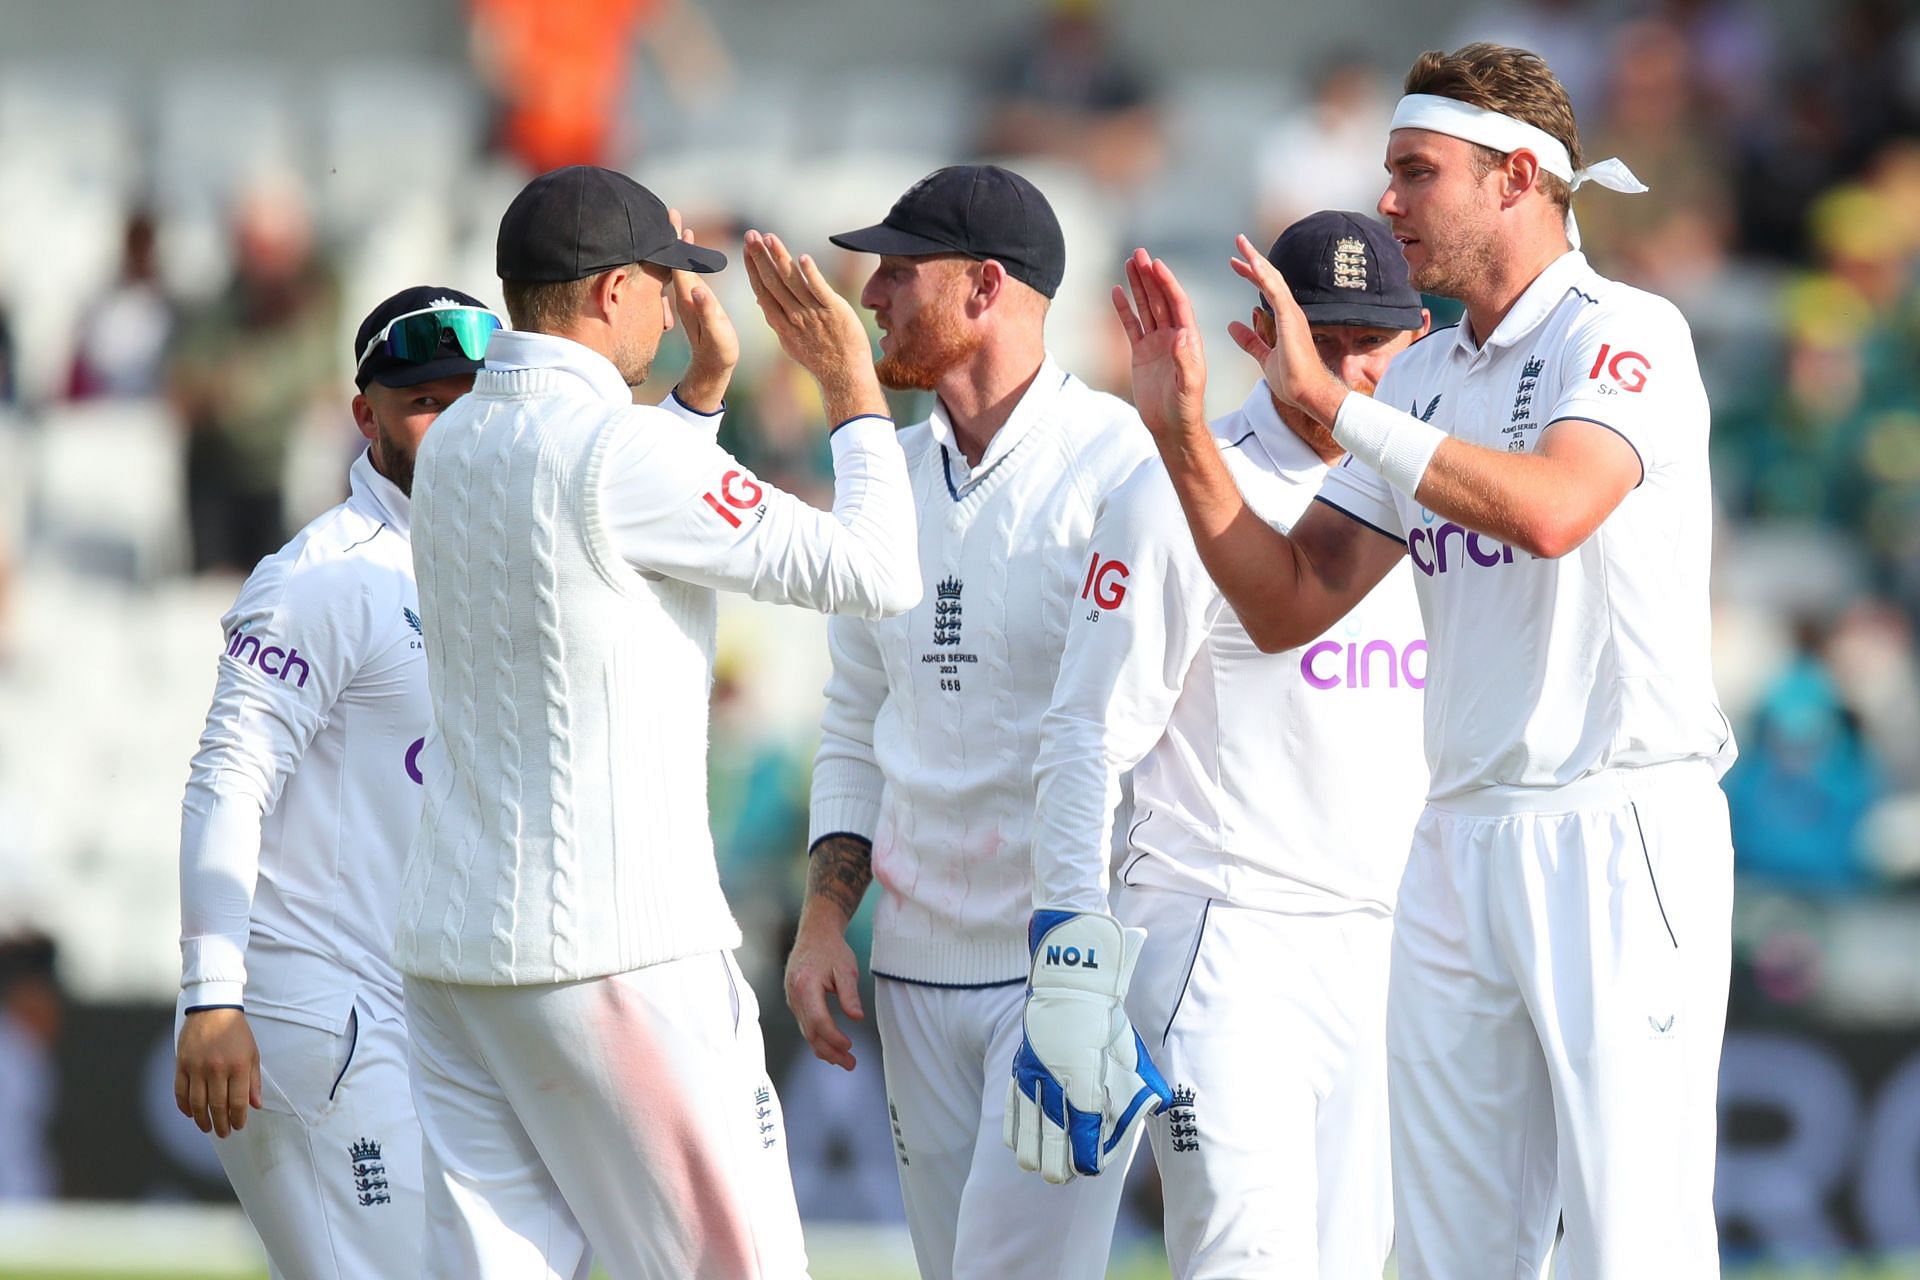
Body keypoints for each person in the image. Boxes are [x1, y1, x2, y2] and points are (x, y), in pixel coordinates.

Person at [1106, 43, 1736, 1277]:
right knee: (1452, 1253)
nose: (1385, 199)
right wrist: (1184, 435)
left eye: (1414, 171)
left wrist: (1339, 410)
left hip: (1616, 828)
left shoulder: (1629, 333)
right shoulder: (1435, 373)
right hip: (1454, 841)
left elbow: (1555, 506)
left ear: (1517, 176)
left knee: (1631, 1246)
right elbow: (1294, 597)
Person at [394, 164, 919, 1280]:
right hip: (619, 948)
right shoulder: (614, 451)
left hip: (455, 955)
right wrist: (850, 382)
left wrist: (703, 397)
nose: (676, 307)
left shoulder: (453, 446)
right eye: (666, 285)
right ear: (615, 291)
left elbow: (609, 529)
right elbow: (877, 569)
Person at [1016, 211, 1431, 1278]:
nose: (1344, 366)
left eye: (1367, 341)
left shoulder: (1433, 493)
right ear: (1259, 332)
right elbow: (1083, 735)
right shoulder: (1176, 492)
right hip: (1222, 939)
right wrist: (1070, 947)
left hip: (1386, 942)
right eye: (1318, 335)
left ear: (1418, 335)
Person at [782, 163, 1157, 1280]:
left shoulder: (1121, 466)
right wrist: (819, 920)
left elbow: (1137, 730)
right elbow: (856, 711)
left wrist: (1084, 964)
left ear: (986, 286)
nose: (874, 293)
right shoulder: (884, 475)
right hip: (911, 967)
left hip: (1065, 968)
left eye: (902, 268)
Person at [174, 285, 501, 1277]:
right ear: (366, 415)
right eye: (423, 403)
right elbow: (228, 775)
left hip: (427, 1014)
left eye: (471, 399)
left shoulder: (490, 566)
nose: (449, 428)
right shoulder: (323, 574)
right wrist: (211, 996)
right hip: (317, 1015)